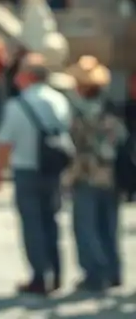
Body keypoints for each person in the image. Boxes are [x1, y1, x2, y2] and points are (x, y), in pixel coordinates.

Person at [0, 53, 71, 295]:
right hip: (54, 169)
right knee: (52, 220)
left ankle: (39, 276)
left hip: (27, 169)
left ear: (28, 76)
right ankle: (57, 272)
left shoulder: (17, 105)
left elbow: (5, 142)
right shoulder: (60, 100)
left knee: (32, 224)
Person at [66, 56, 126, 291]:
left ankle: (95, 273)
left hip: (88, 175)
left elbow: (78, 146)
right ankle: (114, 271)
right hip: (113, 176)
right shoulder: (113, 109)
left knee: (87, 227)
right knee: (109, 227)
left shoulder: (82, 113)